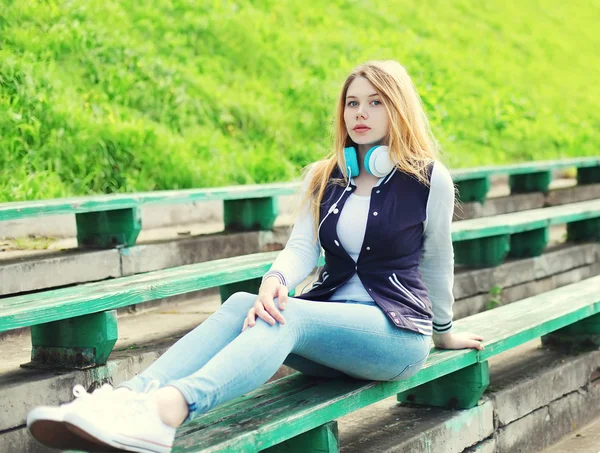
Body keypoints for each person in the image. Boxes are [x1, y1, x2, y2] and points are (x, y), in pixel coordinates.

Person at [27, 60, 483, 453]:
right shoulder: (325, 176)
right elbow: (302, 247)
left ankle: (165, 413)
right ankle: (125, 399)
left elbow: (438, 261)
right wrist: (276, 280)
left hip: (396, 335)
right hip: (333, 328)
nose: (360, 113)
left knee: (290, 317)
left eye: (376, 102)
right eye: (352, 103)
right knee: (247, 303)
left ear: (398, 107)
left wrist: (443, 333)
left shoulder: (427, 179)